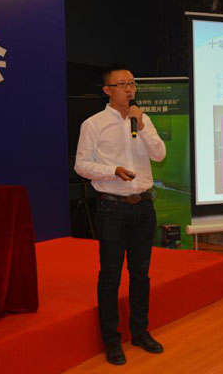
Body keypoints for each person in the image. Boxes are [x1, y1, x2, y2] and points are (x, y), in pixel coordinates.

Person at [74, 64, 166, 365]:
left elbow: (160, 154)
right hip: (112, 207)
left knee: (140, 274)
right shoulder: (94, 124)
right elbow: (81, 166)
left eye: (132, 83)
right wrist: (112, 170)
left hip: (143, 207)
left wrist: (141, 124)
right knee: (110, 276)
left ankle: (140, 332)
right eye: (122, 84)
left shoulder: (143, 120)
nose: (129, 89)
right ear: (107, 90)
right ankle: (112, 340)